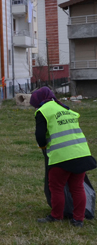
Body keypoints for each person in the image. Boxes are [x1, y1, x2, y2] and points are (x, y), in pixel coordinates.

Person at [31, 87, 96, 227]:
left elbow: (40, 136)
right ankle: (78, 220)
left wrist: (43, 147)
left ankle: (56, 216)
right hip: (81, 152)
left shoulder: (43, 111)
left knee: (56, 186)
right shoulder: (66, 109)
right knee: (77, 187)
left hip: (62, 155)